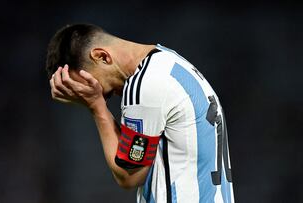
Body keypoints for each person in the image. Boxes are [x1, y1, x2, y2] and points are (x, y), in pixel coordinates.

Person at [46, 23, 234, 203]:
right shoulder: (170, 61)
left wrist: (96, 106)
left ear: (102, 56)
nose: (104, 94)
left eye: (100, 88)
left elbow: (129, 175)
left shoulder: (145, 83)